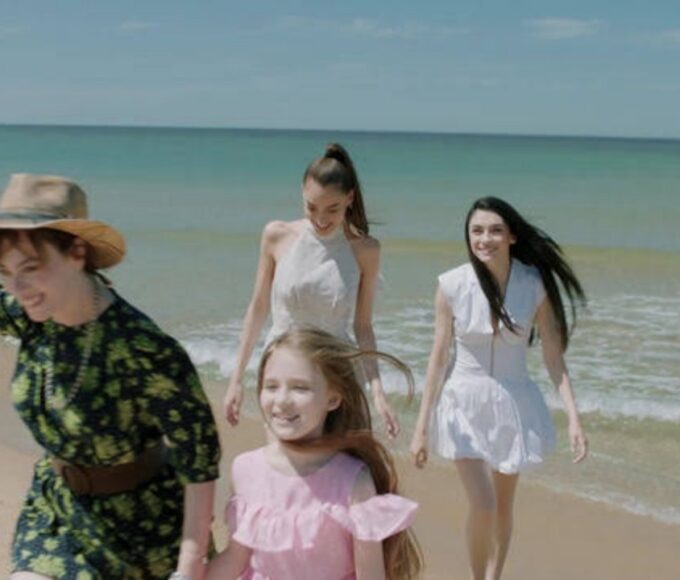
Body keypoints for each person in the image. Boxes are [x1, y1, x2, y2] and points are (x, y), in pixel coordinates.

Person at [0, 174, 221, 580]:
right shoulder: (29, 314)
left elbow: (199, 457)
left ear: (76, 252)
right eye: (5, 271)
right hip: (58, 510)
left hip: (143, 529)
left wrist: (190, 566)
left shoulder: (142, 347)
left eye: (31, 267)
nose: (17, 286)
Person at [409, 196, 588, 580]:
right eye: (476, 231)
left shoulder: (532, 285)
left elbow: (554, 358)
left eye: (494, 230)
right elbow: (438, 358)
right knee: (484, 504)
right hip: (463, 402)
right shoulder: (452, 285)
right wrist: (421, 427)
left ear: (511, 237)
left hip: (513, 403)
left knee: (504, 508)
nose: (484, 239)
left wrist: (574, 418)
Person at [207, 328, 422, 580]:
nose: (282, 400)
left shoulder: (353, 479)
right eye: (271, 386)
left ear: (333, 399)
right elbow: (235, 558)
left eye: (300, 388)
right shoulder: (245, 469)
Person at [223, 143, 400, 437]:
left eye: (332, 209)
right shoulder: (277, 235)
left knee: (340, 461)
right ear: (302, 195)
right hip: (284, 373)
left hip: (337, 377)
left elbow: (363, 326)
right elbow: (258, 308)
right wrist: (236, 380)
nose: (320, 219)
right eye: (311, 207)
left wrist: (377, 391)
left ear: (349, 199)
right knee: (285, 459)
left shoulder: (366, 250)